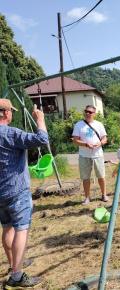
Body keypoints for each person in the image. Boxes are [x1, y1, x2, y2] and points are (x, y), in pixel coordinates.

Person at [0, 99, 49, 289]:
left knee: (7, 228)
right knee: (21, 229)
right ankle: (17, 276)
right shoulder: (12, 134)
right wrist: (40, 120)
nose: (12, 114)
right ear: (5, 113)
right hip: (16, 191)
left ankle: (14, 265)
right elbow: (42, 139)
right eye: (10, 111)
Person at [72, 105, 109, 205]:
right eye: (86, 111)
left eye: (90, 112)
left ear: (94, 114)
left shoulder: (99, 124)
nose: (87, 113)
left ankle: (104, 195)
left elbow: (104, 139)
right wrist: (85, 144)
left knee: (101, 175)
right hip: (84, 155)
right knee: (85, 177)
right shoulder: (78, 125)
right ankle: (87, 197)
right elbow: (75, 141)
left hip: (98, 154)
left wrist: (100, 143)